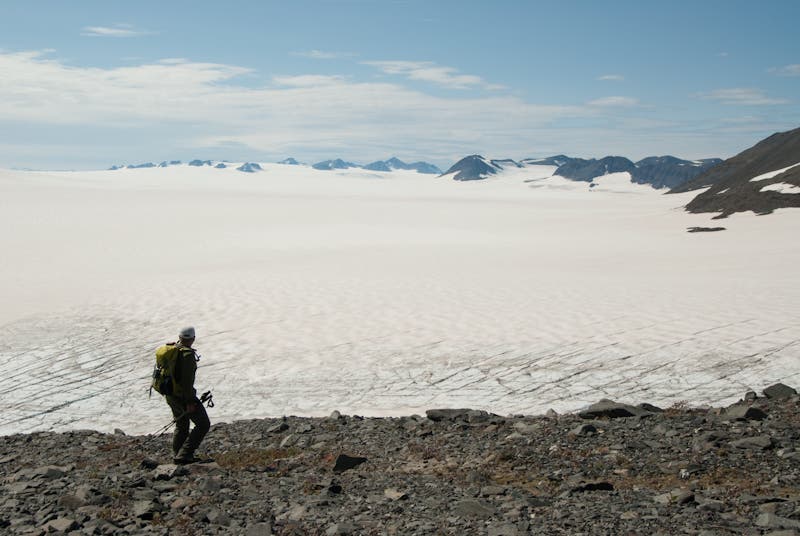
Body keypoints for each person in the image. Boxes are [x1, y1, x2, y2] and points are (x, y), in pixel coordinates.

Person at [166, 326, 210, 464]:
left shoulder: (172, 349)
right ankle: (184, 454)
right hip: (183, 396)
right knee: (203, 424)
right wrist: (190, 402)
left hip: (170, 394)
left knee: (182, 424)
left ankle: (178, 455)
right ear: (193, 339)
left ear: (179, 337)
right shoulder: (187, 355)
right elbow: (186, 382)